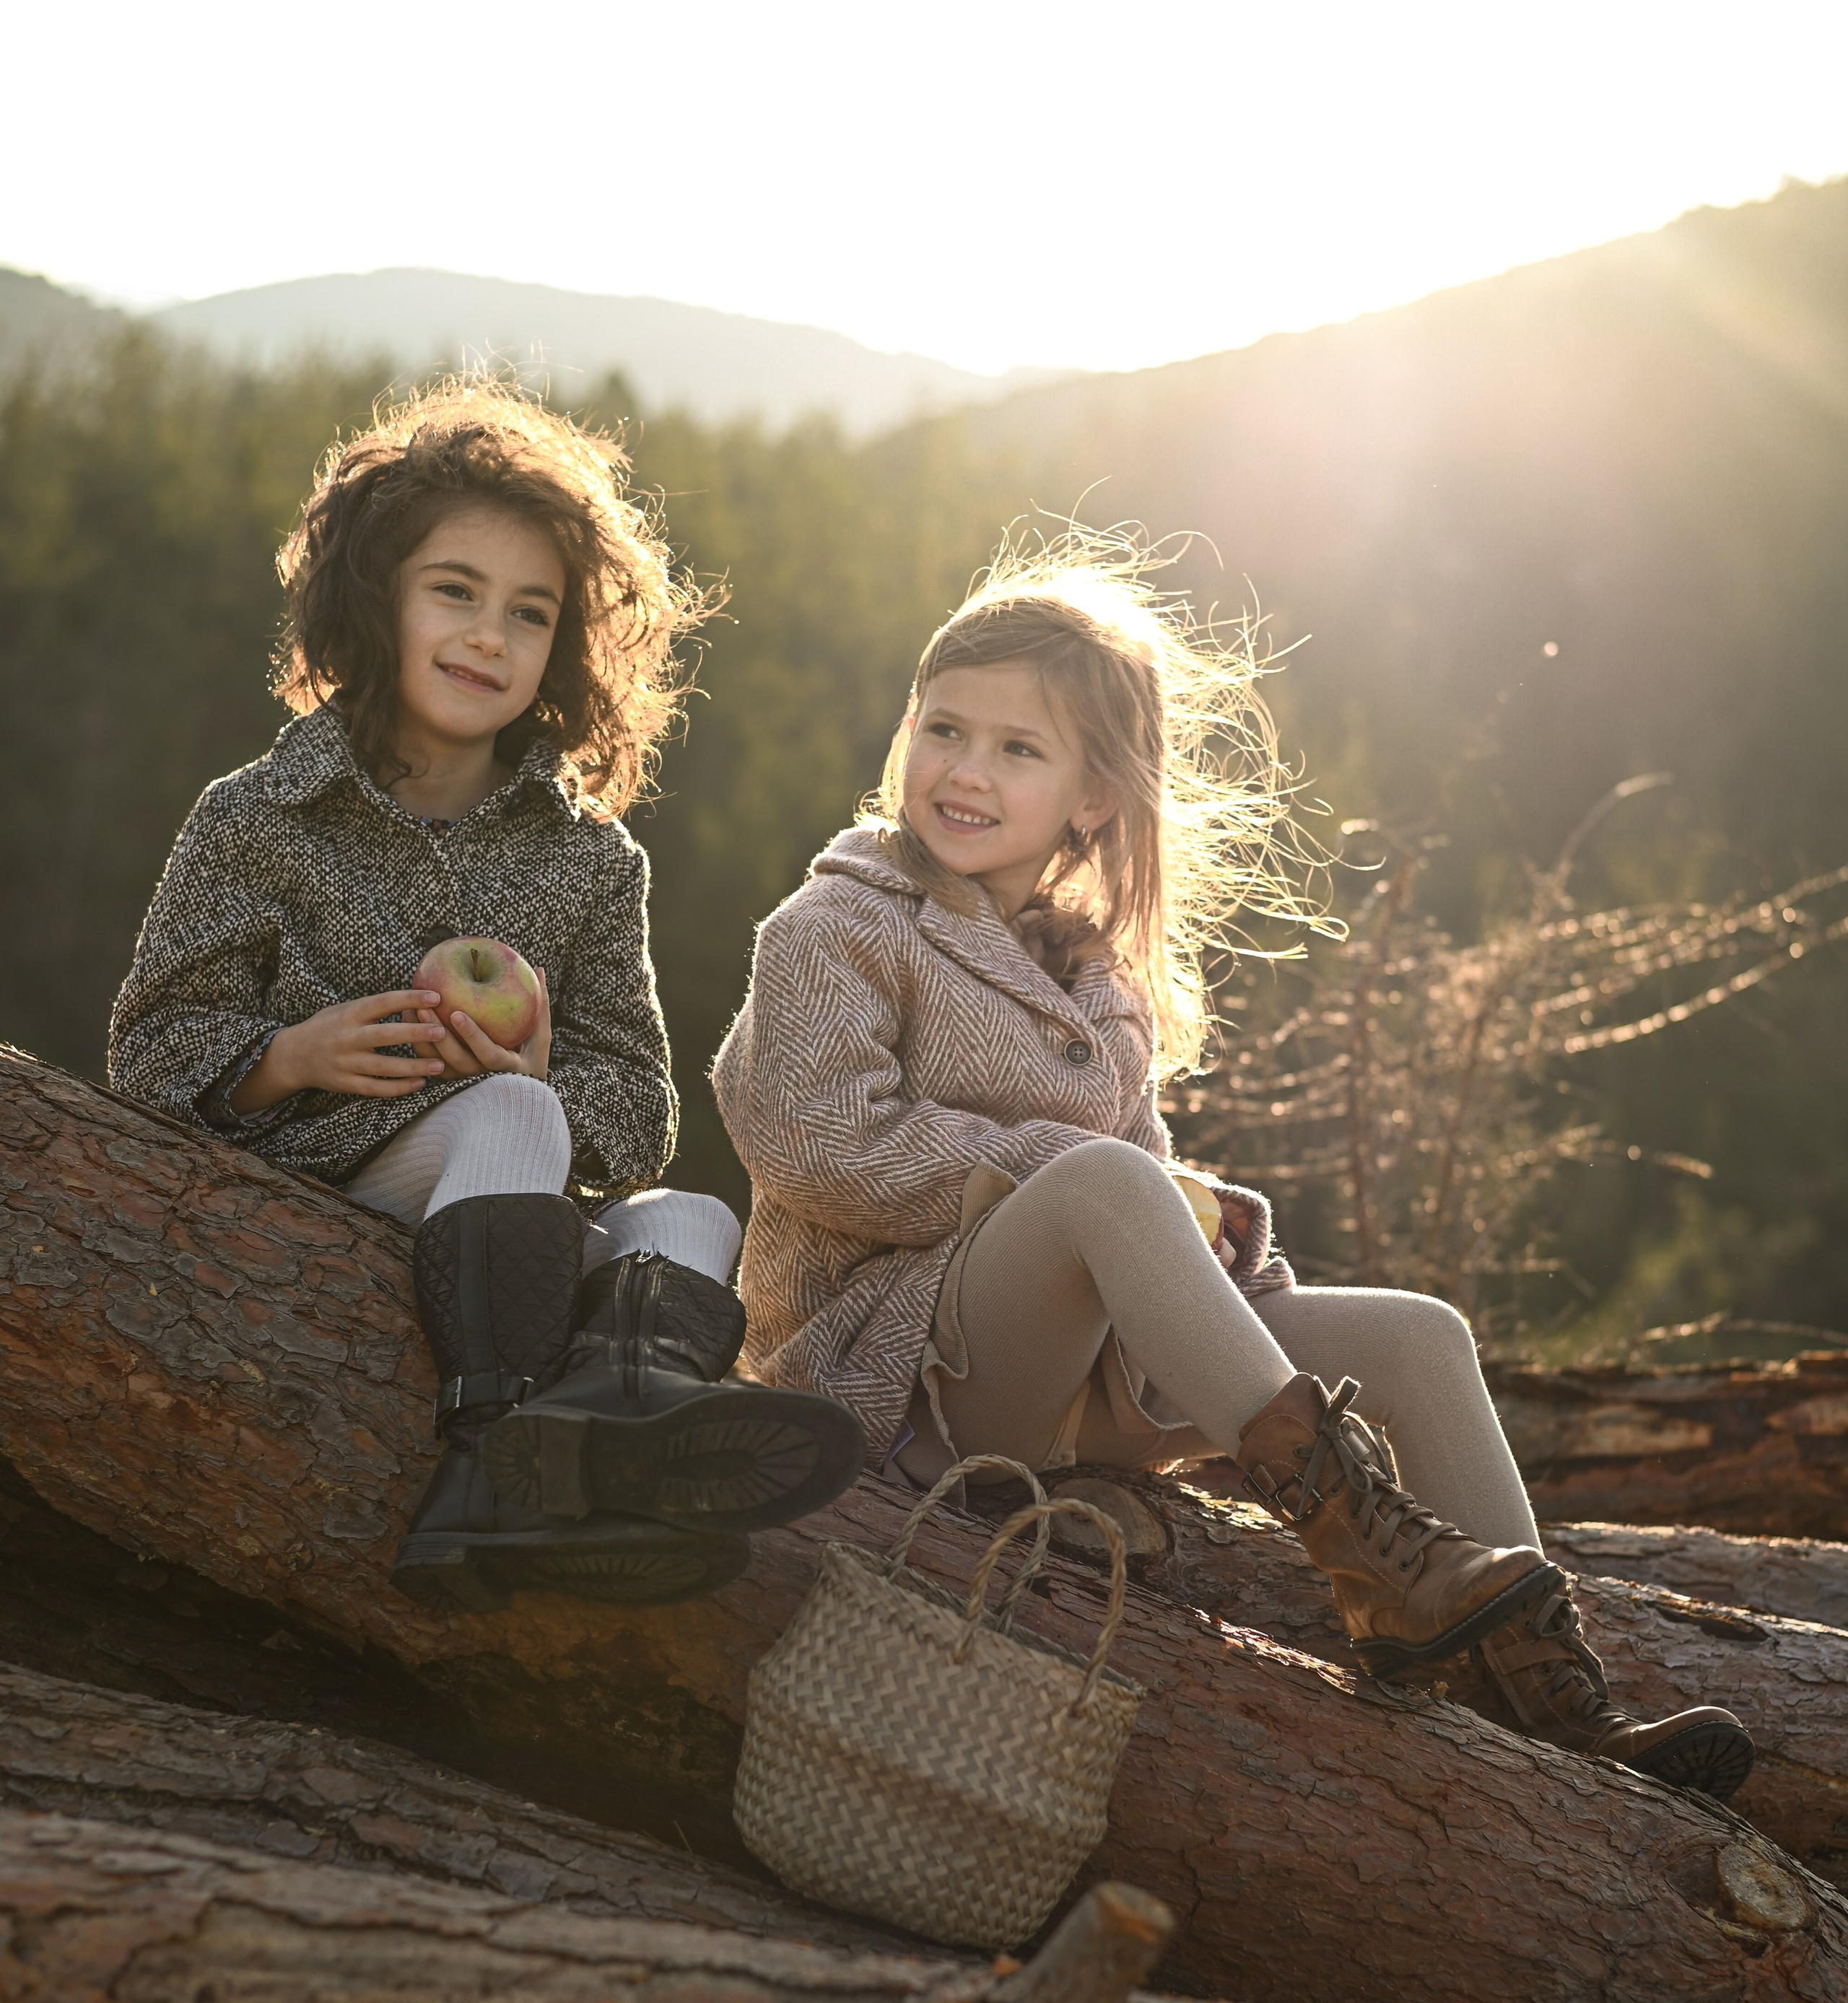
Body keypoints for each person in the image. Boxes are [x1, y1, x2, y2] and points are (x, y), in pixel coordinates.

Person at [714, 538, 1753, 1797]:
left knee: (1418, 1337)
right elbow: (826, 1150)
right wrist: (1082, 1180)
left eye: (1018, 749)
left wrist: (1210, 1254)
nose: (965, 771)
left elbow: (1137, 1200)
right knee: (1103, 1185)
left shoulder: (1097, 983)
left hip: (1079, 1374)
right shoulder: (837, 925)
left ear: (1093, 798)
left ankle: (1549, 1688)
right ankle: (1372, 1554)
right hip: (906, 1366)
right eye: (944, 729)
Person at [110, 383, 860, 1613]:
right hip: (327, 1177)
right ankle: (496, 1469)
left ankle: (599, 1465)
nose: (489, 637)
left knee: (693, 1223)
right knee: (520, 1126)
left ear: (561, 647)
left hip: (501, 1236)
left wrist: (545, 1080)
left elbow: (639, 1107)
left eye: (530, 612)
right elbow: (150, 1049)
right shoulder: (253, 817)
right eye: (454, 591)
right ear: (378, 598)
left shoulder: (592, 862)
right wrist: (291, 1056)